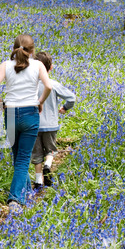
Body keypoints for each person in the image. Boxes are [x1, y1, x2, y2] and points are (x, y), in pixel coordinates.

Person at [0, 34, 52, 214]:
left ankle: (25, 192)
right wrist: (40, 101)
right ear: (32, 51)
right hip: (30, 114)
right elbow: (49, 86)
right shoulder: (38, 65)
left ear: (14, 48)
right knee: (23, 158)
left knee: (18, 157)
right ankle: (15, 199)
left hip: (10, 113)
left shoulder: (5, 65)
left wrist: (1, 104)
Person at [31, 51, 76, 189]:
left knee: (36, 154)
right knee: (50, 150)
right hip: (51, 125)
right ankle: (48, 165)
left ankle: (38, 181)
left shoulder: (30, 85)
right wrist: (65, 108)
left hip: (34, 125)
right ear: (51, 68)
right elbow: (72, 98)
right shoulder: (52, 84)